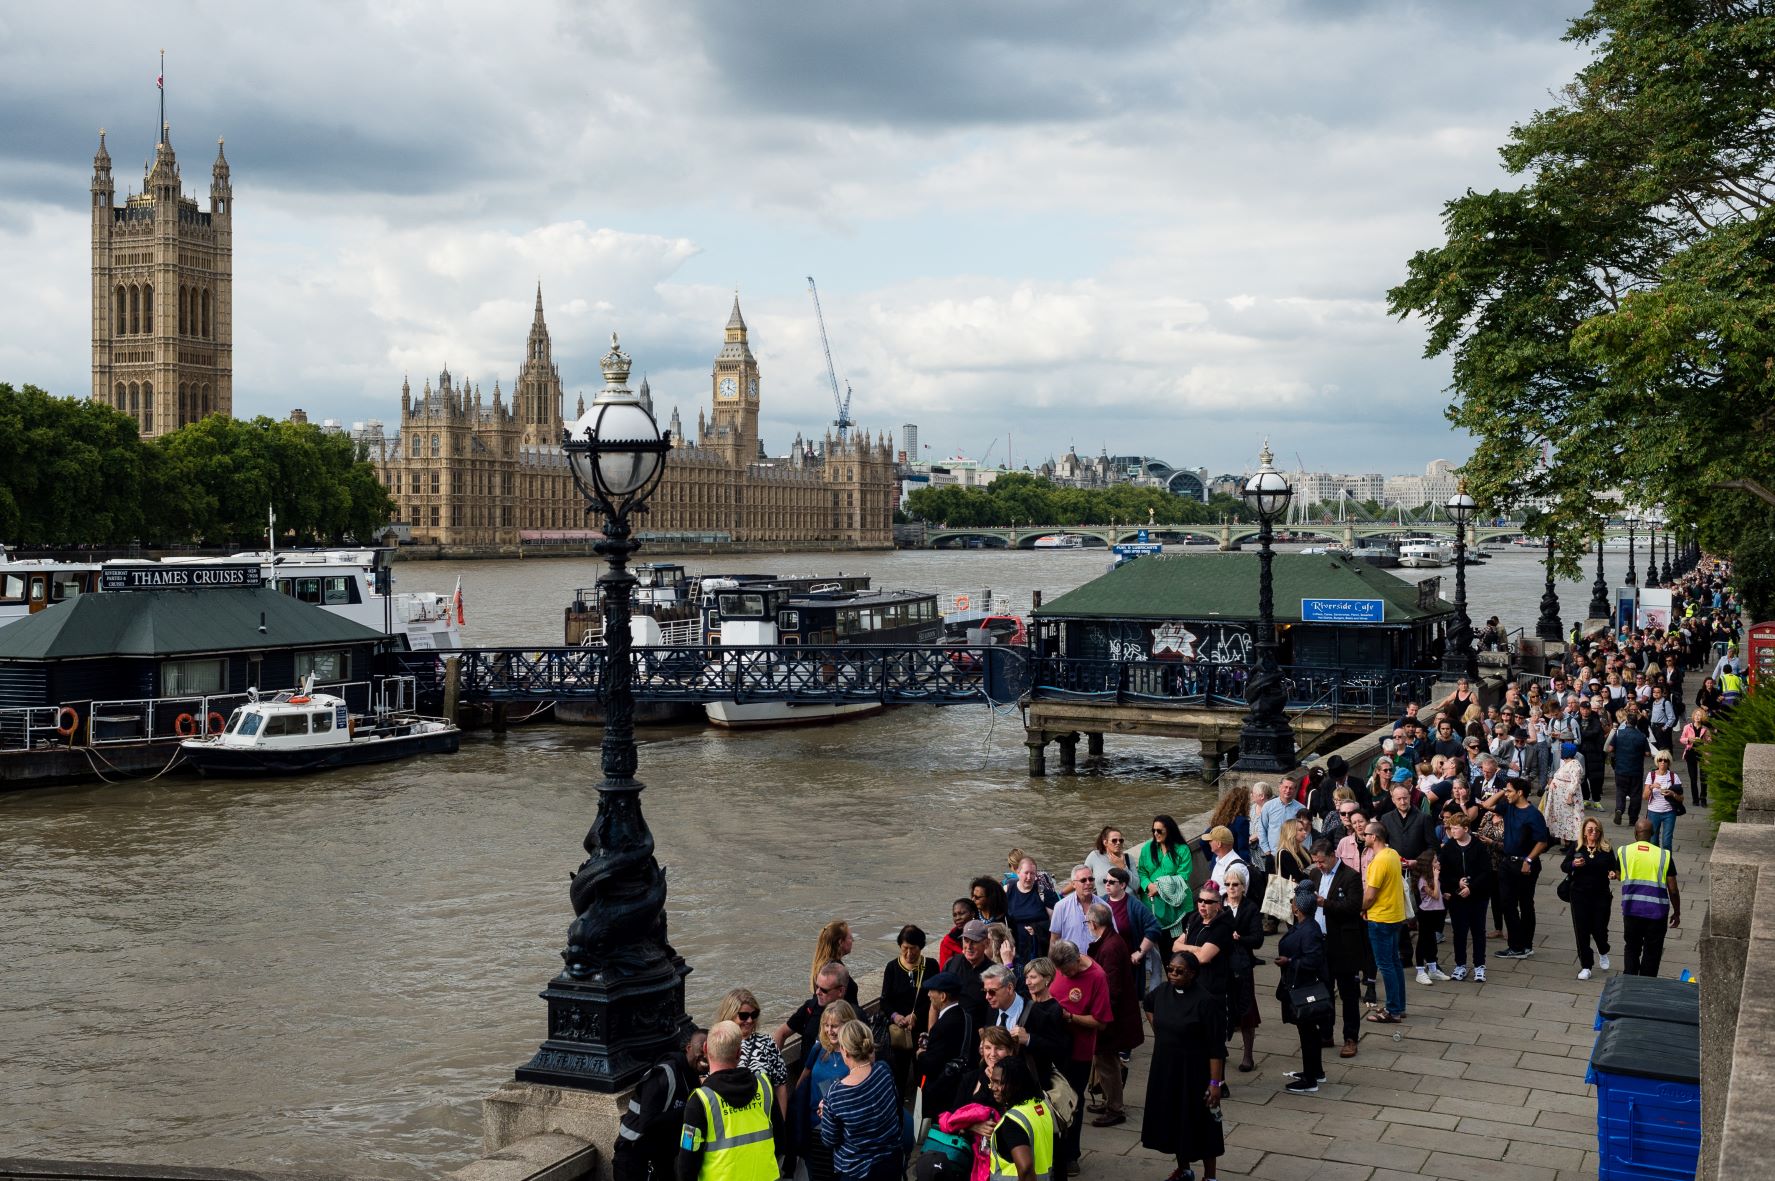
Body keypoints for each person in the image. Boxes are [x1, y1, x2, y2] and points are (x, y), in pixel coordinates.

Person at [1140, 951, 1225, 1181]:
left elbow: (1216, 1048)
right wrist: (1158, 1030)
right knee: (1174, 1120)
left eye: (1179, 971)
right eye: (1170, 970)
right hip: (1167, 1069)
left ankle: (1210, 1176)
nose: (1173, 975)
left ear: (1193, 974)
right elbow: (1147, 1004)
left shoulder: (1205, 1001)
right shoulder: (1162, 992)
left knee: (1203, 1124)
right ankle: (1184, 1169)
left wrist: (1215, 1082)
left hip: (1195, 1073)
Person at [678, 1020, 783, 1181]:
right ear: (739, 1053)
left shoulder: (701, 1100)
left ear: (706, 1049)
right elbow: (781, 1141)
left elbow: (687, 1162)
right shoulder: (764, 1086)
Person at [1047, 939, 1110, 1176]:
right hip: (1053, 1045)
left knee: (1072, 1100)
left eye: (1067, 970)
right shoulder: (1059, 966)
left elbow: (1100, 1022)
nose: (1063, 974)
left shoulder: (1097, 977)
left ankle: (1071, 1154)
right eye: (1060, 971)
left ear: (1077, 959)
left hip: (1078, 1050)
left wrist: (1070, 1018)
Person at [614, 1024, 706, 1181]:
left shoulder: (692, 1077)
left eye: (708, 1055)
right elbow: (647, 1124)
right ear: (689, 1048)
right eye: (701, 1053)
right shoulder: (663, 1075)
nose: (704, 1059)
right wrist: (689, 1111)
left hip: (662, 1158)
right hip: (633, 1158)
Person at [1083, 901, 1142, 1128]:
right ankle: (1109, 1100)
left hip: (1111, 1018)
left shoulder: (1109, 947)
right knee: (1106, 1060)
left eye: (1088, 922)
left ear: (1094, 923)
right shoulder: (1111, 941)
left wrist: (1099, 1013)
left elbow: (1112, 988)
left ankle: (1115, 1108)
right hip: (1116, 1015)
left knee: (1106, 1062)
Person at [819, 1020, 903, 1181]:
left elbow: (829, 1140)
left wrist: (827, 1115)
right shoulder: (883, 1070)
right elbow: (896, 1109)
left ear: (844, 1050)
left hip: (857, 1170)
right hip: (891, 1161)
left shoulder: (835, 1095)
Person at [1309, 837, 1367, 1057]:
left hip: (1343, 944)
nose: (1319, 865)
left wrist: (1326, 904)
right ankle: (1326, 1033)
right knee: (1323, 991)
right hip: (1320, 941)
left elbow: (1353, 907)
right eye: (1315, 861)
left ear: (1333, 856)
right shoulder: (1314, 875)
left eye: (1322, 861)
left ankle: (1350, 1038)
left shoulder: (1350, 876)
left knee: (1348, 994)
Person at [1485, 778, 1552, 960]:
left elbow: (1542, 842)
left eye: (1509, 791)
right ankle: (1515, 945)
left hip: (1525, 864)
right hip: (1507, 863)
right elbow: (1487, 804)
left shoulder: (1533, 815)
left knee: (1525, 904)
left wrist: (1529, 859)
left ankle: (1526, 945)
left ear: (1520, 792)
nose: (1506, 794)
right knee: (1507, 903)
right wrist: (1502, 791)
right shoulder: (1508, 807)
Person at [1274, 886, 1331, 1094]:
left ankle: (1310, 1079)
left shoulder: (1309, 930)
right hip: (1299, 986)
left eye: (1293, 902)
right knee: (1308, 1032)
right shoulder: (1305, 925)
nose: (1291, 904)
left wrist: (1289, 961)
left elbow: (1313, 959)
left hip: (1305, 989)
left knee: (1307, 1033)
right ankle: (1316, 1071)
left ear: (1297, 909)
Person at [794, 1000, 859, 1181]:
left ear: (848, 1025)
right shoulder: (819, 1048)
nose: (829, 1031)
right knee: (818, 1173)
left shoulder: (856, 1054)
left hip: (843, 1129)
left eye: (835, 1026)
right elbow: (805, 1075)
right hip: (815, 1126)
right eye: (826, 1025)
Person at [1616, 819, 1681, 976]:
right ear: (1652, 834)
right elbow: (1672, 889)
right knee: (1652, 952)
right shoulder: (1664, 855)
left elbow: (1619, 875)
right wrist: (1677, 911)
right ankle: (1646, 986)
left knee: (1632, 947)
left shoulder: (1624, 851)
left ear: (1635, 833)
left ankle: (1629, 983)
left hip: (1631, 910)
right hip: (1656, 914)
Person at [713, 988, 790, 1116]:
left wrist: (781, 1122)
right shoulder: (715, 1042)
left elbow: (780, 1085)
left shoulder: (767, 1043)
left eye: (754, 1015)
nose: (749, 1020)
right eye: (743, 1016)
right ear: (730, 1014)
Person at [880, 926, 937, 1096]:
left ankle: (922, 1100)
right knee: (899, 1070)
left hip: (922, 1027)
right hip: (900, 1030)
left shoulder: (931, 966)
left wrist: (916, 1015)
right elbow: (885, 1000)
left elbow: (933, 998)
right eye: (905, 948)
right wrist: (896, 1017)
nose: (909, 953)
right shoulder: (892, 968)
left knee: (923, 1068)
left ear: (921, 947)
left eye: (913, 949)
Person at [1436, 811, 1492, 983]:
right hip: (1457, 897)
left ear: (1466, 828)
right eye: (1451, 828)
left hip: (1478, 896)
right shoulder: (1448, 849)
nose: (1452, 831)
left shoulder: (1479, 847)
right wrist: (1456, 885)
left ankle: (1479, 966)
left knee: (1478, 931)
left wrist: (1471, 887)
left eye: (1456, 828)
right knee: (1459, 932)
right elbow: (1443, 873)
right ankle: (1460, 964)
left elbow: (1486, 872)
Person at [1361, 820, 1407, 1024]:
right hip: (1395, 915)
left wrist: (1360, 908)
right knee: (1395, 963)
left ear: (1375, 837)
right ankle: (1399, 1006)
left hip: (1381, 917)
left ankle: (1392, 1010)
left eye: (1366, 834)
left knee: (1385, 965)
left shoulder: (1379, 861)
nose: (1363, 836)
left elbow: (1370, 895)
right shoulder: (1393, 854)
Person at [1220, 865, 1265, 1073]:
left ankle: (1248, 1055)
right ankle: (1219, 1048)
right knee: (1220, 1008)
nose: (1231, 888)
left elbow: (1258, 939)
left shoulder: (1250, 908)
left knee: (1246, 1009)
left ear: (1243, 887)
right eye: (1227, 884)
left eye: (1235, 884)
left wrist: (1240, 938)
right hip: (1221, 963)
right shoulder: (1220, 905)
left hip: (1243, 965)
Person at [985, 1056, 1057, 1181]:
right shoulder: (1040, 1107)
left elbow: (1026, 1168)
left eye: (1000, 1083)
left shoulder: (1012, 1122)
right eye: (993, 1081)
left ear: (1017, 1084)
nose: (993, 1087)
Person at [915, 971, 976, 1116]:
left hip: (941, 1093)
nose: (929, 994)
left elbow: (931, 1065)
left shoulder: (942, 1026)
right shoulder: (965, 1015)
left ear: (943, 996)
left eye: (932, 991)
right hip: (959, 1085)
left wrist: (921, 1054)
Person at [1563, 817, 1613, 980]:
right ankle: (1586, 965)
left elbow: (1616, 868)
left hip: (1601, 895)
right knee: (1582, 931)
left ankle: (1603, 949)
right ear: (1584, 832)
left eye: (1596, 830)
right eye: (1590, 829)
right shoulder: (1577, 847)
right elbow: (1564, 866)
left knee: (1600, 929)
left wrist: (1613, 873)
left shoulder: (1606, 849)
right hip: (1579, 894)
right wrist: (1573, 865)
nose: (1593, 832)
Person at [1008, 957, 1070, 1088]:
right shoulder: (1022, 998)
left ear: (1047, 979)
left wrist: (1029, 1039)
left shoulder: (1054, 1009)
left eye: (1033, 977)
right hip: (1016, 1067)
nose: (1027, 982)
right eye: (1026, 977)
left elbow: (1056, 1047)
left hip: (1038, 1072)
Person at [1137, 815, 1194, 956]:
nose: (1156, 834)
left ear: (1169, 831)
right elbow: (1141, 871)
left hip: (1177, 906)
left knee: (1179, 947)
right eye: (1153, 830)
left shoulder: (1182, 850)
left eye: (1159, 831)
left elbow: (1183, 875)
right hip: (1153, 905)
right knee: (1162, 948)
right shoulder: (1146, 849)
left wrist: (1160, 887)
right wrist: (1149, 885)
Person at [1100, 867, 1161, 993]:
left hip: (1128, 964)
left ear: (1122, 885)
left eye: (1111, 882)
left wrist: (1140, 951)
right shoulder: (1101, 902)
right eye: (1105, 880)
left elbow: (1154, 927)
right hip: (1107, 961)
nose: (1107, 884)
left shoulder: (1134, 905)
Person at [776, 963, 853, 1050]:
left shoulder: (854, 1016)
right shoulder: (810, 1007)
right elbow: (781, 1033)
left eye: (824, 990)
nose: (817, 992)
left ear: (840, 991)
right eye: (817, 986)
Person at [1003, 857, 1060, 969]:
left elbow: (1056, 924)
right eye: (1026, 873)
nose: (1029, 877)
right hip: (1015, 948)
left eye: (1032, 874)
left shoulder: (1043, 893)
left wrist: (1037, 928)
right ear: (1018, 872)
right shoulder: (1007, 891)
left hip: (1038, 949)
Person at [1606, 710, 1653, 827]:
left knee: (1620, 791)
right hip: (1636, 770)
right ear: (1636, 723)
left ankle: (1619, 809)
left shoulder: (1619, 734)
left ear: (1626, 721)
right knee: (1635, 794)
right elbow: (1648, 753)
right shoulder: (1641, 736)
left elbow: (1610, 748)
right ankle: (1633, 818)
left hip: (1621, 768)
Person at [1410, 850, 1449, 985]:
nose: (1439, 863)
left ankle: (1433, 968)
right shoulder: (1424, 880)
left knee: (1432, 940)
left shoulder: (1432, 878)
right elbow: (1435, 895)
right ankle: (1420, 971)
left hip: (1435, 912)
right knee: (1423, 940)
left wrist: (1444, 895)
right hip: (1426, 913)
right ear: (1429, 865)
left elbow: (1438, 896)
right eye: (1436, 861)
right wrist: (1437, 878)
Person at [1256, 778, 1306, 872]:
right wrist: (1267, 851)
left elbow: (1304, 832)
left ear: (1295, 790)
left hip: (1292, 856)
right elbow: (1262, 829)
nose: (1287, 790)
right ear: (1280, 787)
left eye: (1291, 788)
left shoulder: (1301, 809)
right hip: (1273, 855)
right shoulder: (1268, 806)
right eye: (1285, 787)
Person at [810, 921, 861, 1006]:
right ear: (840, 942)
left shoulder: (822, 965)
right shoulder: (833, 970)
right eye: (850, 937)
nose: (852, 940)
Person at [1543, 746, 1585, 849]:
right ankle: (1566, 842)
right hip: (1559, 799)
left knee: (1570, 819)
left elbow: (1575, 781)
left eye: (1562, 750)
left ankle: (1571, 844)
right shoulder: (1567, 764)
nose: (1561, 752)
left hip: (1567, 799)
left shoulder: (1574, 764)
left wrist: (1570, 795)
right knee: (1563, 819)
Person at [1048, 865, 1097, 952]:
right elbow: (1054, 940)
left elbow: (1111, 936)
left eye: (1091, 879)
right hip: (1069, 962)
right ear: (1073, 884)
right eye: (1083, 880)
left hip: (1096, 962)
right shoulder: (1061, 907)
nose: (1088, 883)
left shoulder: (1104, 907)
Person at [1199, 786, 1253, 862]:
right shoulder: (1242, 821)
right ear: (1245, 804)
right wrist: (1246, 866)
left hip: (1217, 863)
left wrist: (1213, 858)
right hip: (1234, 864)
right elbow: (1243, 849)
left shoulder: (1219, 818)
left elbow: (1202, 841)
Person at [1643, 753, 1684, 851]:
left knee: (1667, 842)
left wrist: (1672, 794)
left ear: (1669, 763)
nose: (1662, 762)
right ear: (1657, 761)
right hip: (1653, 812)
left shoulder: (1674, 777)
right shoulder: (1651, 775)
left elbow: (1681, 798)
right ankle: (1655, 864)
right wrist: (1651, 787)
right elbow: (1645, 797)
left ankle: (1668, 864)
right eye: (1660, 760)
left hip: (1669, 812)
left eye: (1665, 760)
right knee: (1653, 842)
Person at [1680, 707, 1712, 807]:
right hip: (1691, 753)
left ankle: (1703, 798)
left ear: (1702, 717)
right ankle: (1695, 799)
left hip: (1702, 753)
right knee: (1693, 778)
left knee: (1703, 778)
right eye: (1696, 715)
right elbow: (1681, 739)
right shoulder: (1687, 727)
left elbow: (1709, 741)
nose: (1698, 717)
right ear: (1693, 716)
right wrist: (1689, 740)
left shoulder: (1705, 729)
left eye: (1700, 715)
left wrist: (1705, 740)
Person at [938, 899, 977, 968]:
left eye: (961, 914)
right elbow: (943, 971)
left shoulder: (986, 935)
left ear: (972, 914)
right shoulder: (947, 942)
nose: (957, 918)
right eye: (954, 915)